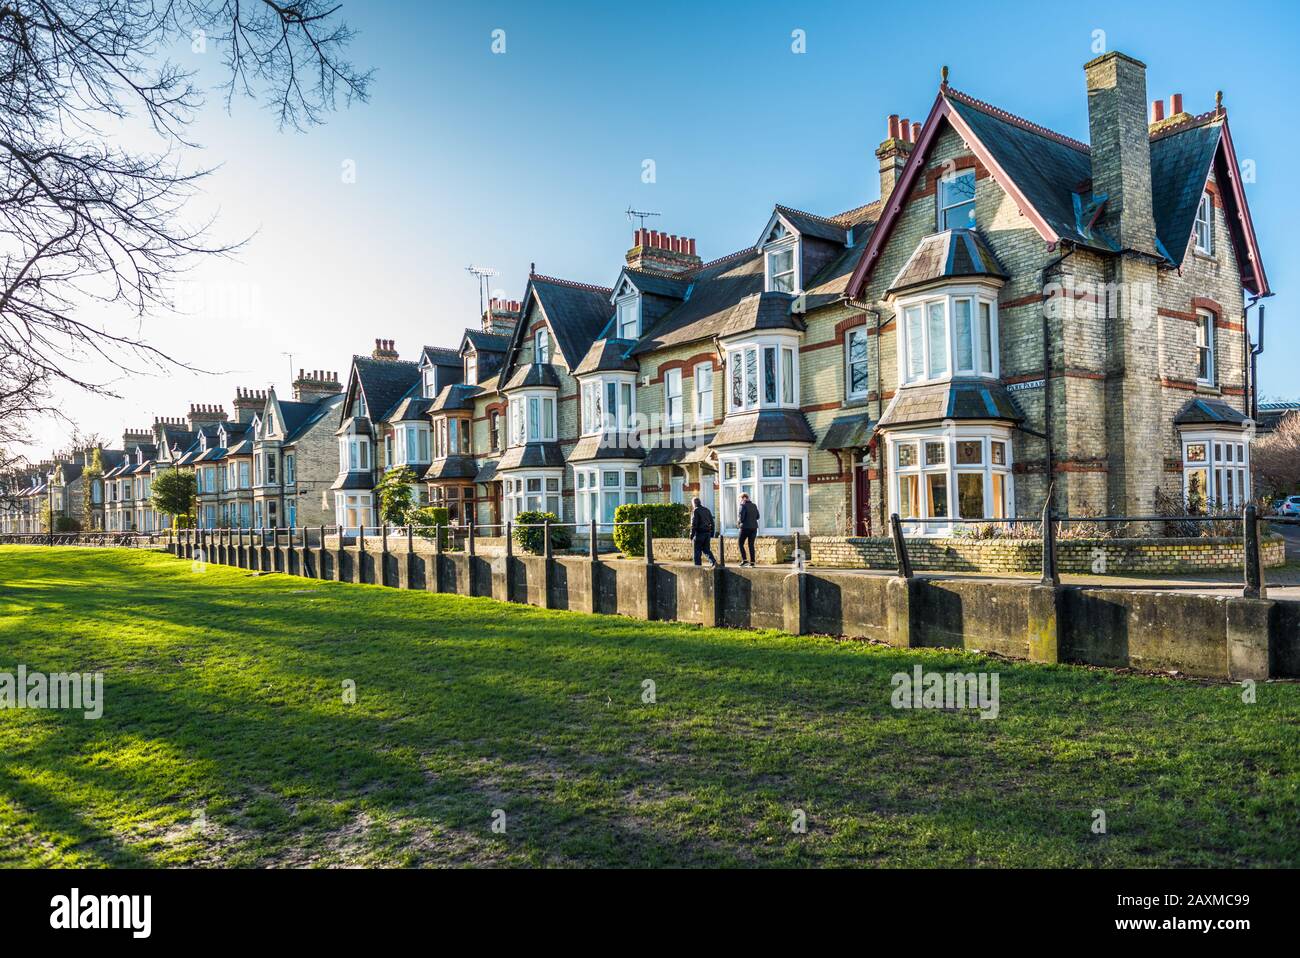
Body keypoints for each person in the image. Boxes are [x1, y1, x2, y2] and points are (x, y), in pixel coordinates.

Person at [689, 496, 717, 567]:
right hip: (707, 533)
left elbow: (694, 524)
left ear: (694, 503)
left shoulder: (695, 511)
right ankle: (713, 562)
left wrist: (691, 535)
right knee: (706, 549)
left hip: (699, 534)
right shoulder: (707, 510)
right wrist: (712, 533)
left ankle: (698, 567)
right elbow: (712, 523)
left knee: (697, 551)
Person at [737, 492, 759, 566]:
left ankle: (745, 560)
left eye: (740, 499)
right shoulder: (754, 505)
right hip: (754, 528)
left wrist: (738, 523)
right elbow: (758, 517)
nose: (740, 501)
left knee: (740, 543)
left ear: (743, 498)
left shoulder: (742, 506)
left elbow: (741, 519)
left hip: (745, 528)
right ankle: (752, 562)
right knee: (751, 545)